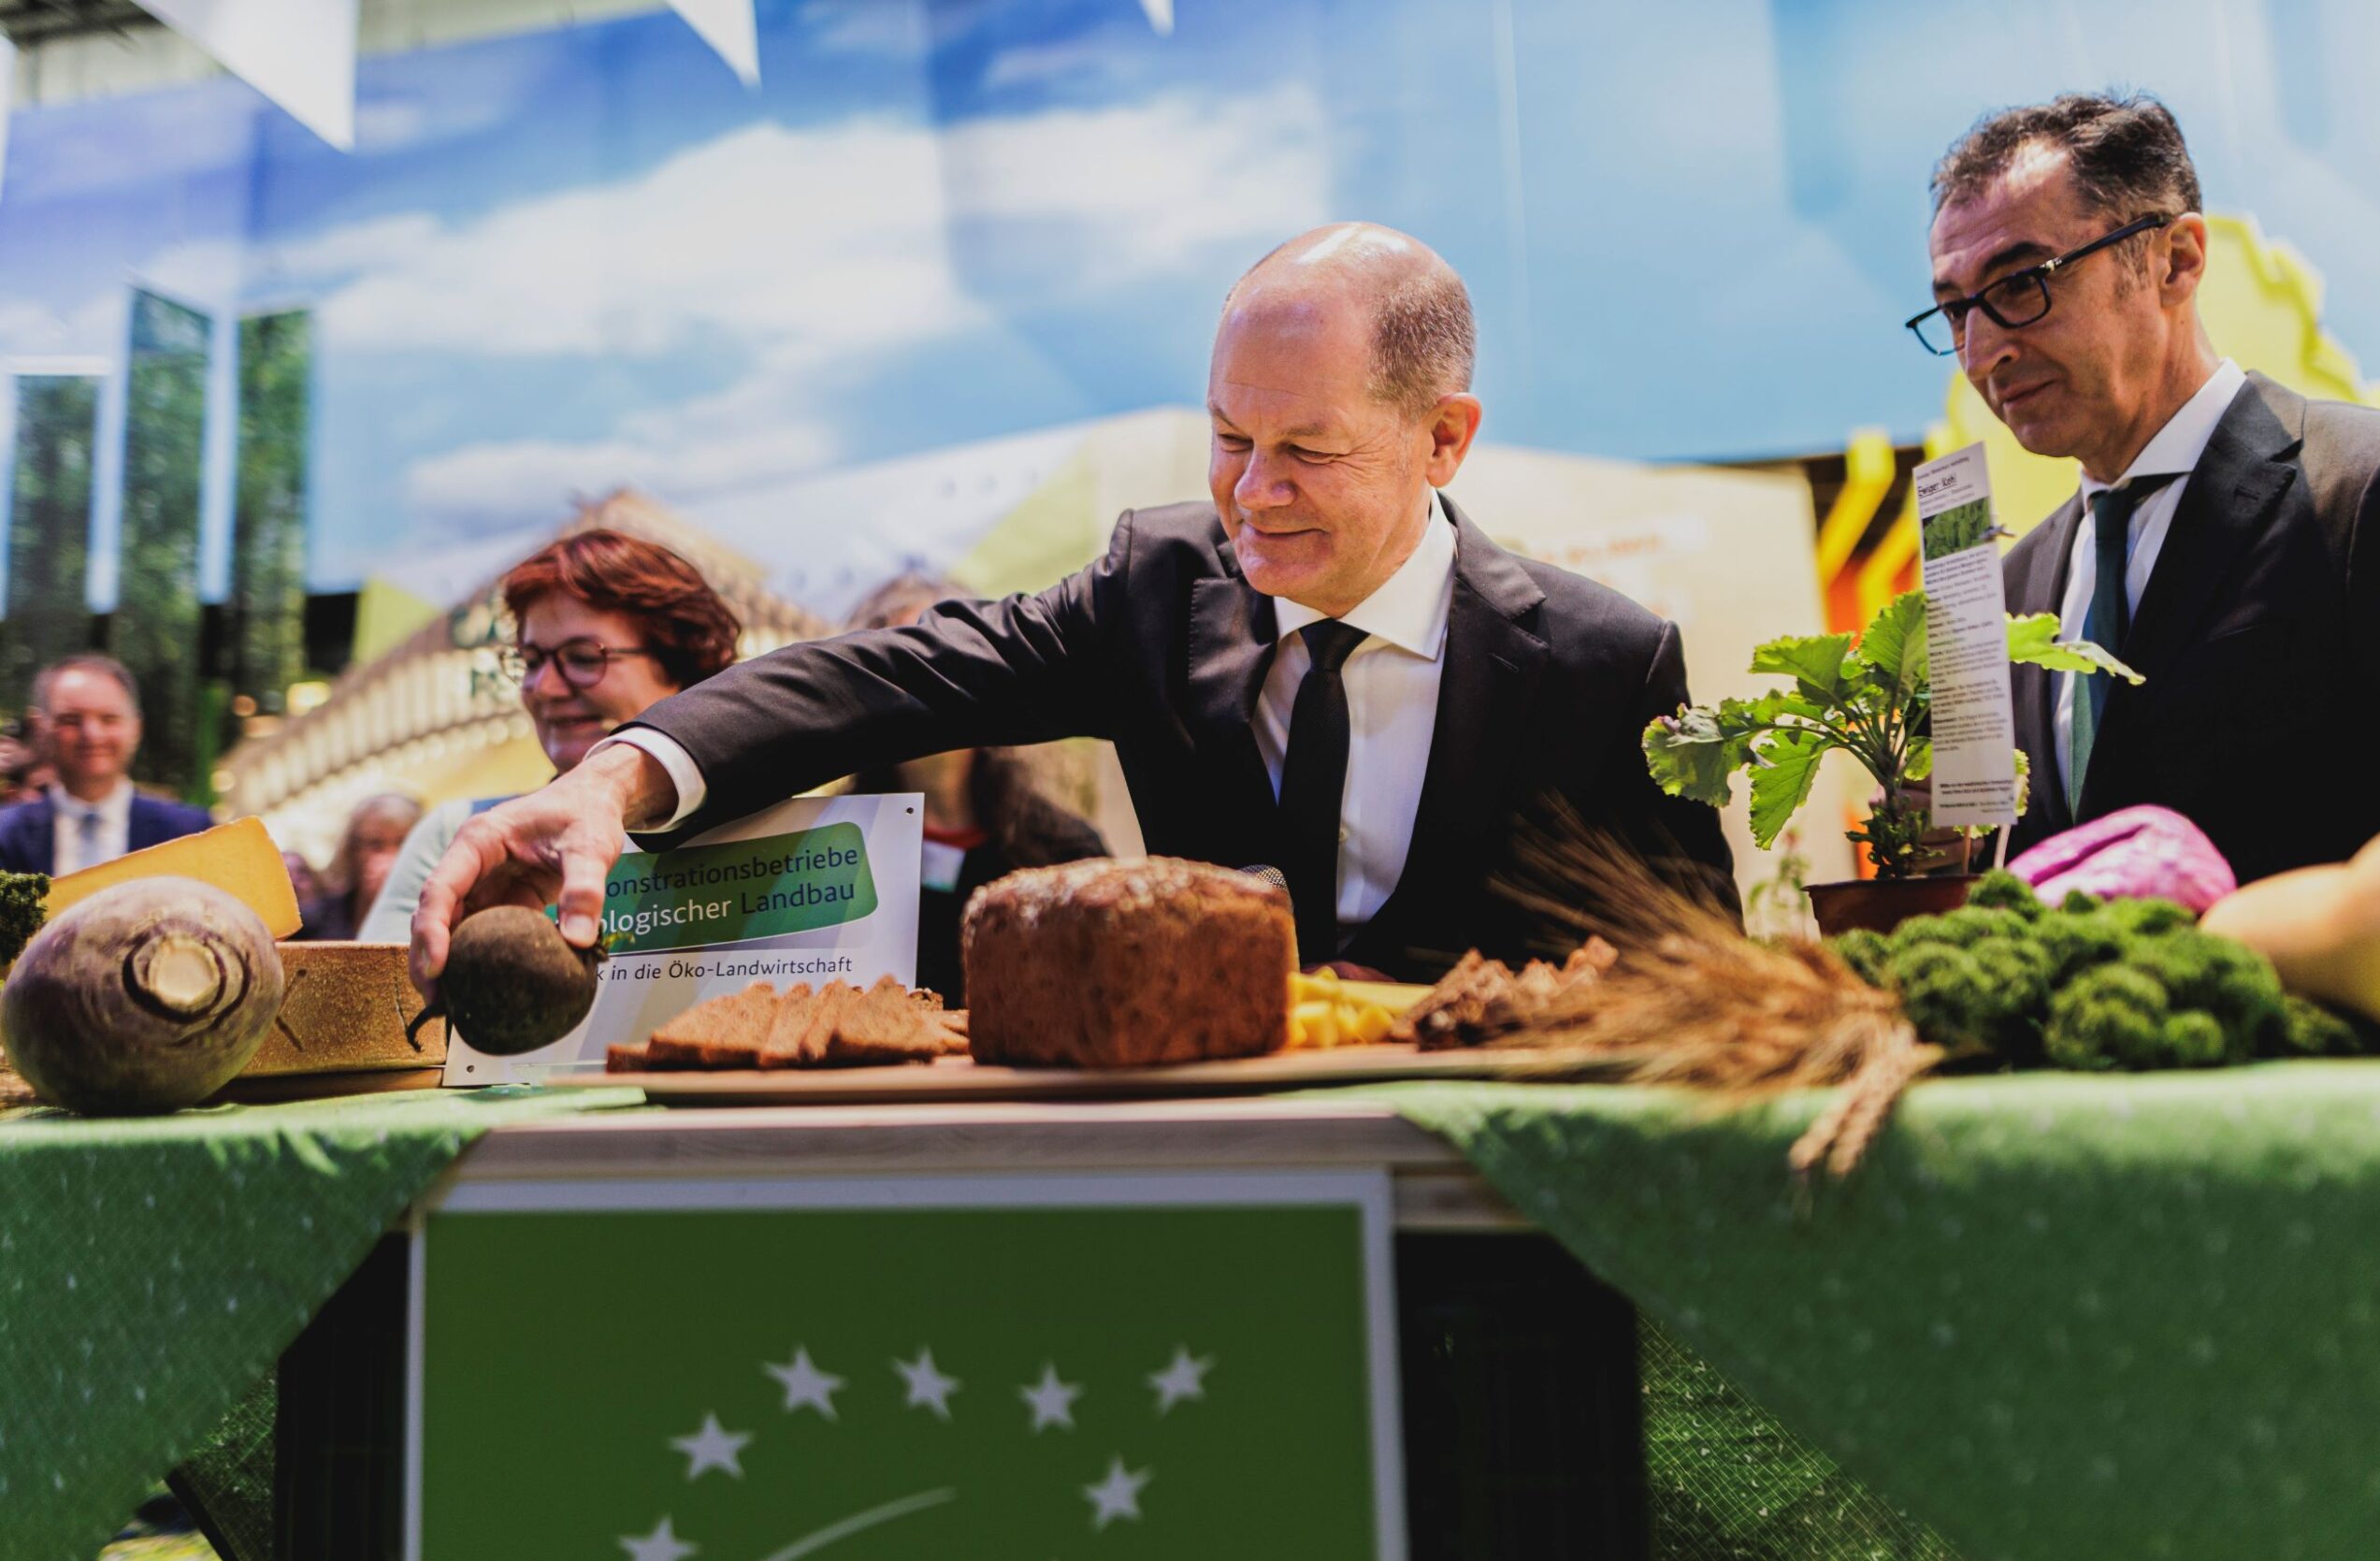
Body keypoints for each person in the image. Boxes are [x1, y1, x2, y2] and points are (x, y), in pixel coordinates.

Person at [412, 222, 1733, 990]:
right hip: (1225, 1209)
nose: (1251, 493)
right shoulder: (1157, 586)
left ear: (1443, 438)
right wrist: (619, 775)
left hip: (1504, 1238)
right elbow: (890, 675)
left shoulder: (1603, 666)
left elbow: (1696, 970)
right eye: (1229, 437)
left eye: (1307, 451)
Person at [1916, 93, 2380, 882]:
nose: (1980, 353)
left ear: (2176, 260)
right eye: (1955, 312)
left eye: (2022, 283)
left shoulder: (2363, 487)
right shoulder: (2006, 593)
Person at [358, 529, 741, 942]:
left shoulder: (760, 829)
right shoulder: (458, 833)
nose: (544, 688)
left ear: (680, 669)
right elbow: (387, 980)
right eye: (531, 661)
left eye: (583, 658)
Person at [841, 572, 1109, 1004]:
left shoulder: (1064, 851)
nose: (928, 686)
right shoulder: (827, 853)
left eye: (947, 661)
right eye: (900, 666)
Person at [0, 655, 209, 875]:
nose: (92, 735)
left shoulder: (189, 834)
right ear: (39, 727)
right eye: (71, 720)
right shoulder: (5, 834)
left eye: (109, 719)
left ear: (136, 728)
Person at [296, 793, 424, 941]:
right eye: (375, 845)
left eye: (403, 843)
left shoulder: (434, 912)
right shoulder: (315, 920)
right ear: (352, 850)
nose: (390, 857)